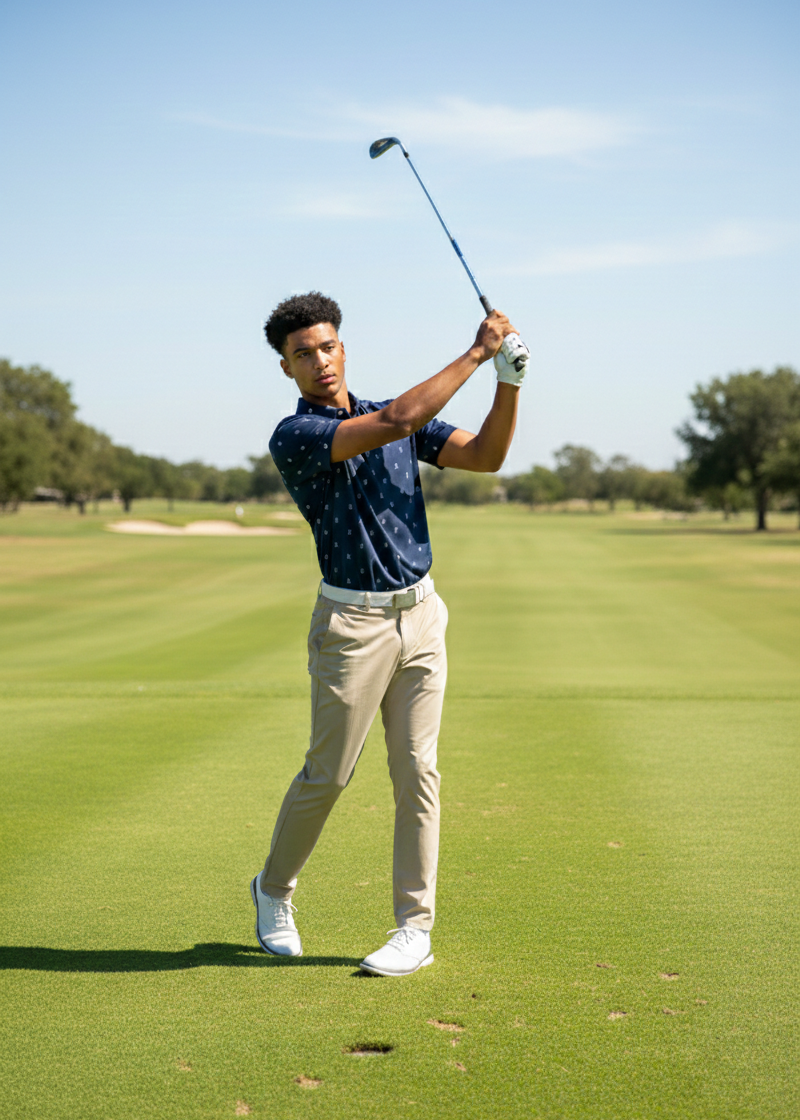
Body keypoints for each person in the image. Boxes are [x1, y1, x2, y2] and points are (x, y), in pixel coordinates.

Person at [251, 291, 528, 976]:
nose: (319, 361)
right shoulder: (297, 435)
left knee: (417, 771)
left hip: (423, 615)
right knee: (329, 774)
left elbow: (486, 456)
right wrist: (479, 352)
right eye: (303, 354)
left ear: (343, 348)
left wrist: (509, 383)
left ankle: (414, 929)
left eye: (327, 347)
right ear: (286, 368)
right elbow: (400, 419)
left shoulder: (398, 414)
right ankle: (274, 889)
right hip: (352, 625)